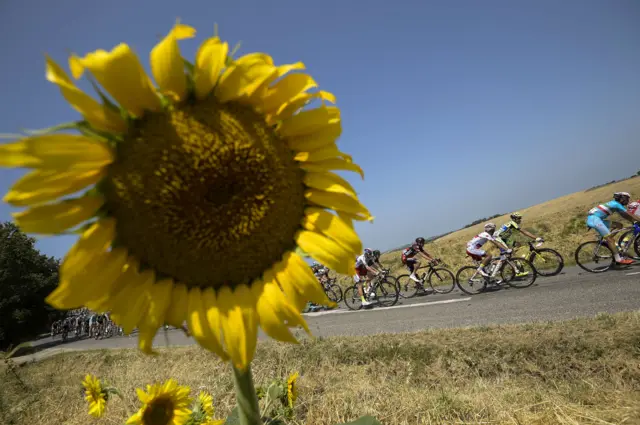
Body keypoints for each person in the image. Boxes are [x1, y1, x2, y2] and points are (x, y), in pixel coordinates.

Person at [586, 192, 636, 265]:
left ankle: (610, 243)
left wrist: (633, 221)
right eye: (627, 199)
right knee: (610, 240)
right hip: (595, 220)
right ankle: (618, 259)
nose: (628, 201)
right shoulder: (616, 204)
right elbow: (629, 214)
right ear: (621, 199)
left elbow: (625, 215)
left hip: (596, 219)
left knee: (619, 225)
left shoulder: (614, 204)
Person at [495, 212, 544, 277]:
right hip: (498, 239)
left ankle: (507, 265)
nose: (520, 220)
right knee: (508, 255)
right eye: (519, 218)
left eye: (520, 218)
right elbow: (524, 232)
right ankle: (517, 272)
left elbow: (517, 236)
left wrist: (522, 242)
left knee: (515, 248)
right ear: (514, 219)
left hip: (504, 239)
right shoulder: (513, 223)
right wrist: (536, 238)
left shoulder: (512, 224)